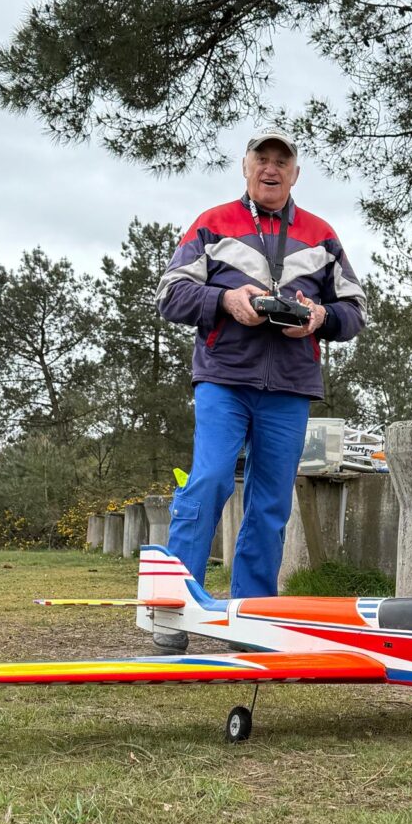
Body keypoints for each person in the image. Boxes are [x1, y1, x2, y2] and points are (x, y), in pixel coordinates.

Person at [153, 128, 366, 652]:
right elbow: (170, 294)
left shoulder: (321, 234)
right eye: (262, 159)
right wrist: (225, 301)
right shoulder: (212, 223)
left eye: (281, 161)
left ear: (296, 173)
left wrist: (319, 316)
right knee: (209, 481)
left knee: (271, 502)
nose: (271, 169)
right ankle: (171, 610)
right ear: (246, 167)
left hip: (290, 387)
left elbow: (356, 310)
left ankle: (251, 618)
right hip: (224, 379)